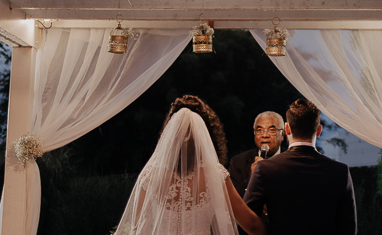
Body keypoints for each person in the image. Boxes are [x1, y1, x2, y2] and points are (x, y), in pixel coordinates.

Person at [114, 95, 267, 235]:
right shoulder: (215, 175)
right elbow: (251, 225)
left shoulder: (149, 175)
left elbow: (137, 228)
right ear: (206, 137)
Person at [243, 99, 357, 235]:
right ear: (319, 130)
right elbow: (349, 229)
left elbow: (249, 222)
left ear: (287, 128)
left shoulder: (265, 168)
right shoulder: (340, 172)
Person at [228, 111, 286, 196]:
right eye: (260, 130)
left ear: (283, 134)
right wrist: (252, 180)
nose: (265, 135)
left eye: (272, 130)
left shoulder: (293, 160)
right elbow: (232, 201)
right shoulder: (238, 162)